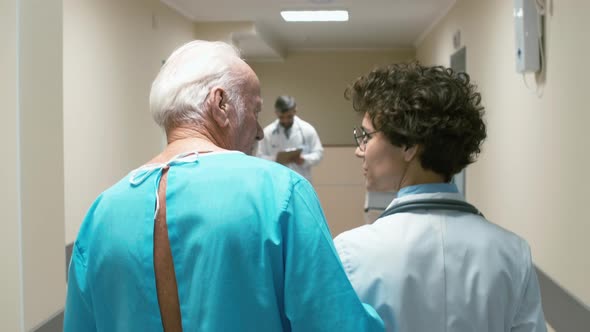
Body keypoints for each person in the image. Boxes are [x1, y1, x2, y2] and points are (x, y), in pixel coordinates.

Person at [64, 40, 384, 332]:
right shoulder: (280, 192)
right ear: (220, 104)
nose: (260, 132)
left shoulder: (102, 212)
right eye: (255, 110)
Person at [334, 62, 547, 332]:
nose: (359, 150)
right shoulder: (512, 253)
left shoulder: (351, 253)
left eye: (367, 136)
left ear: (409, 146)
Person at [257, 96, 323, 183]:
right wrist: (275, 159)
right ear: (276, 113)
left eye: (289, 117)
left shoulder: (308, 130)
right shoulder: (267, 133)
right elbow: (259, 157)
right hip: (277, 181)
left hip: (301, 181)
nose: (285, 121)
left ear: (295, 111)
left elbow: (318, 153)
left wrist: (304, 159)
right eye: (282, 117)